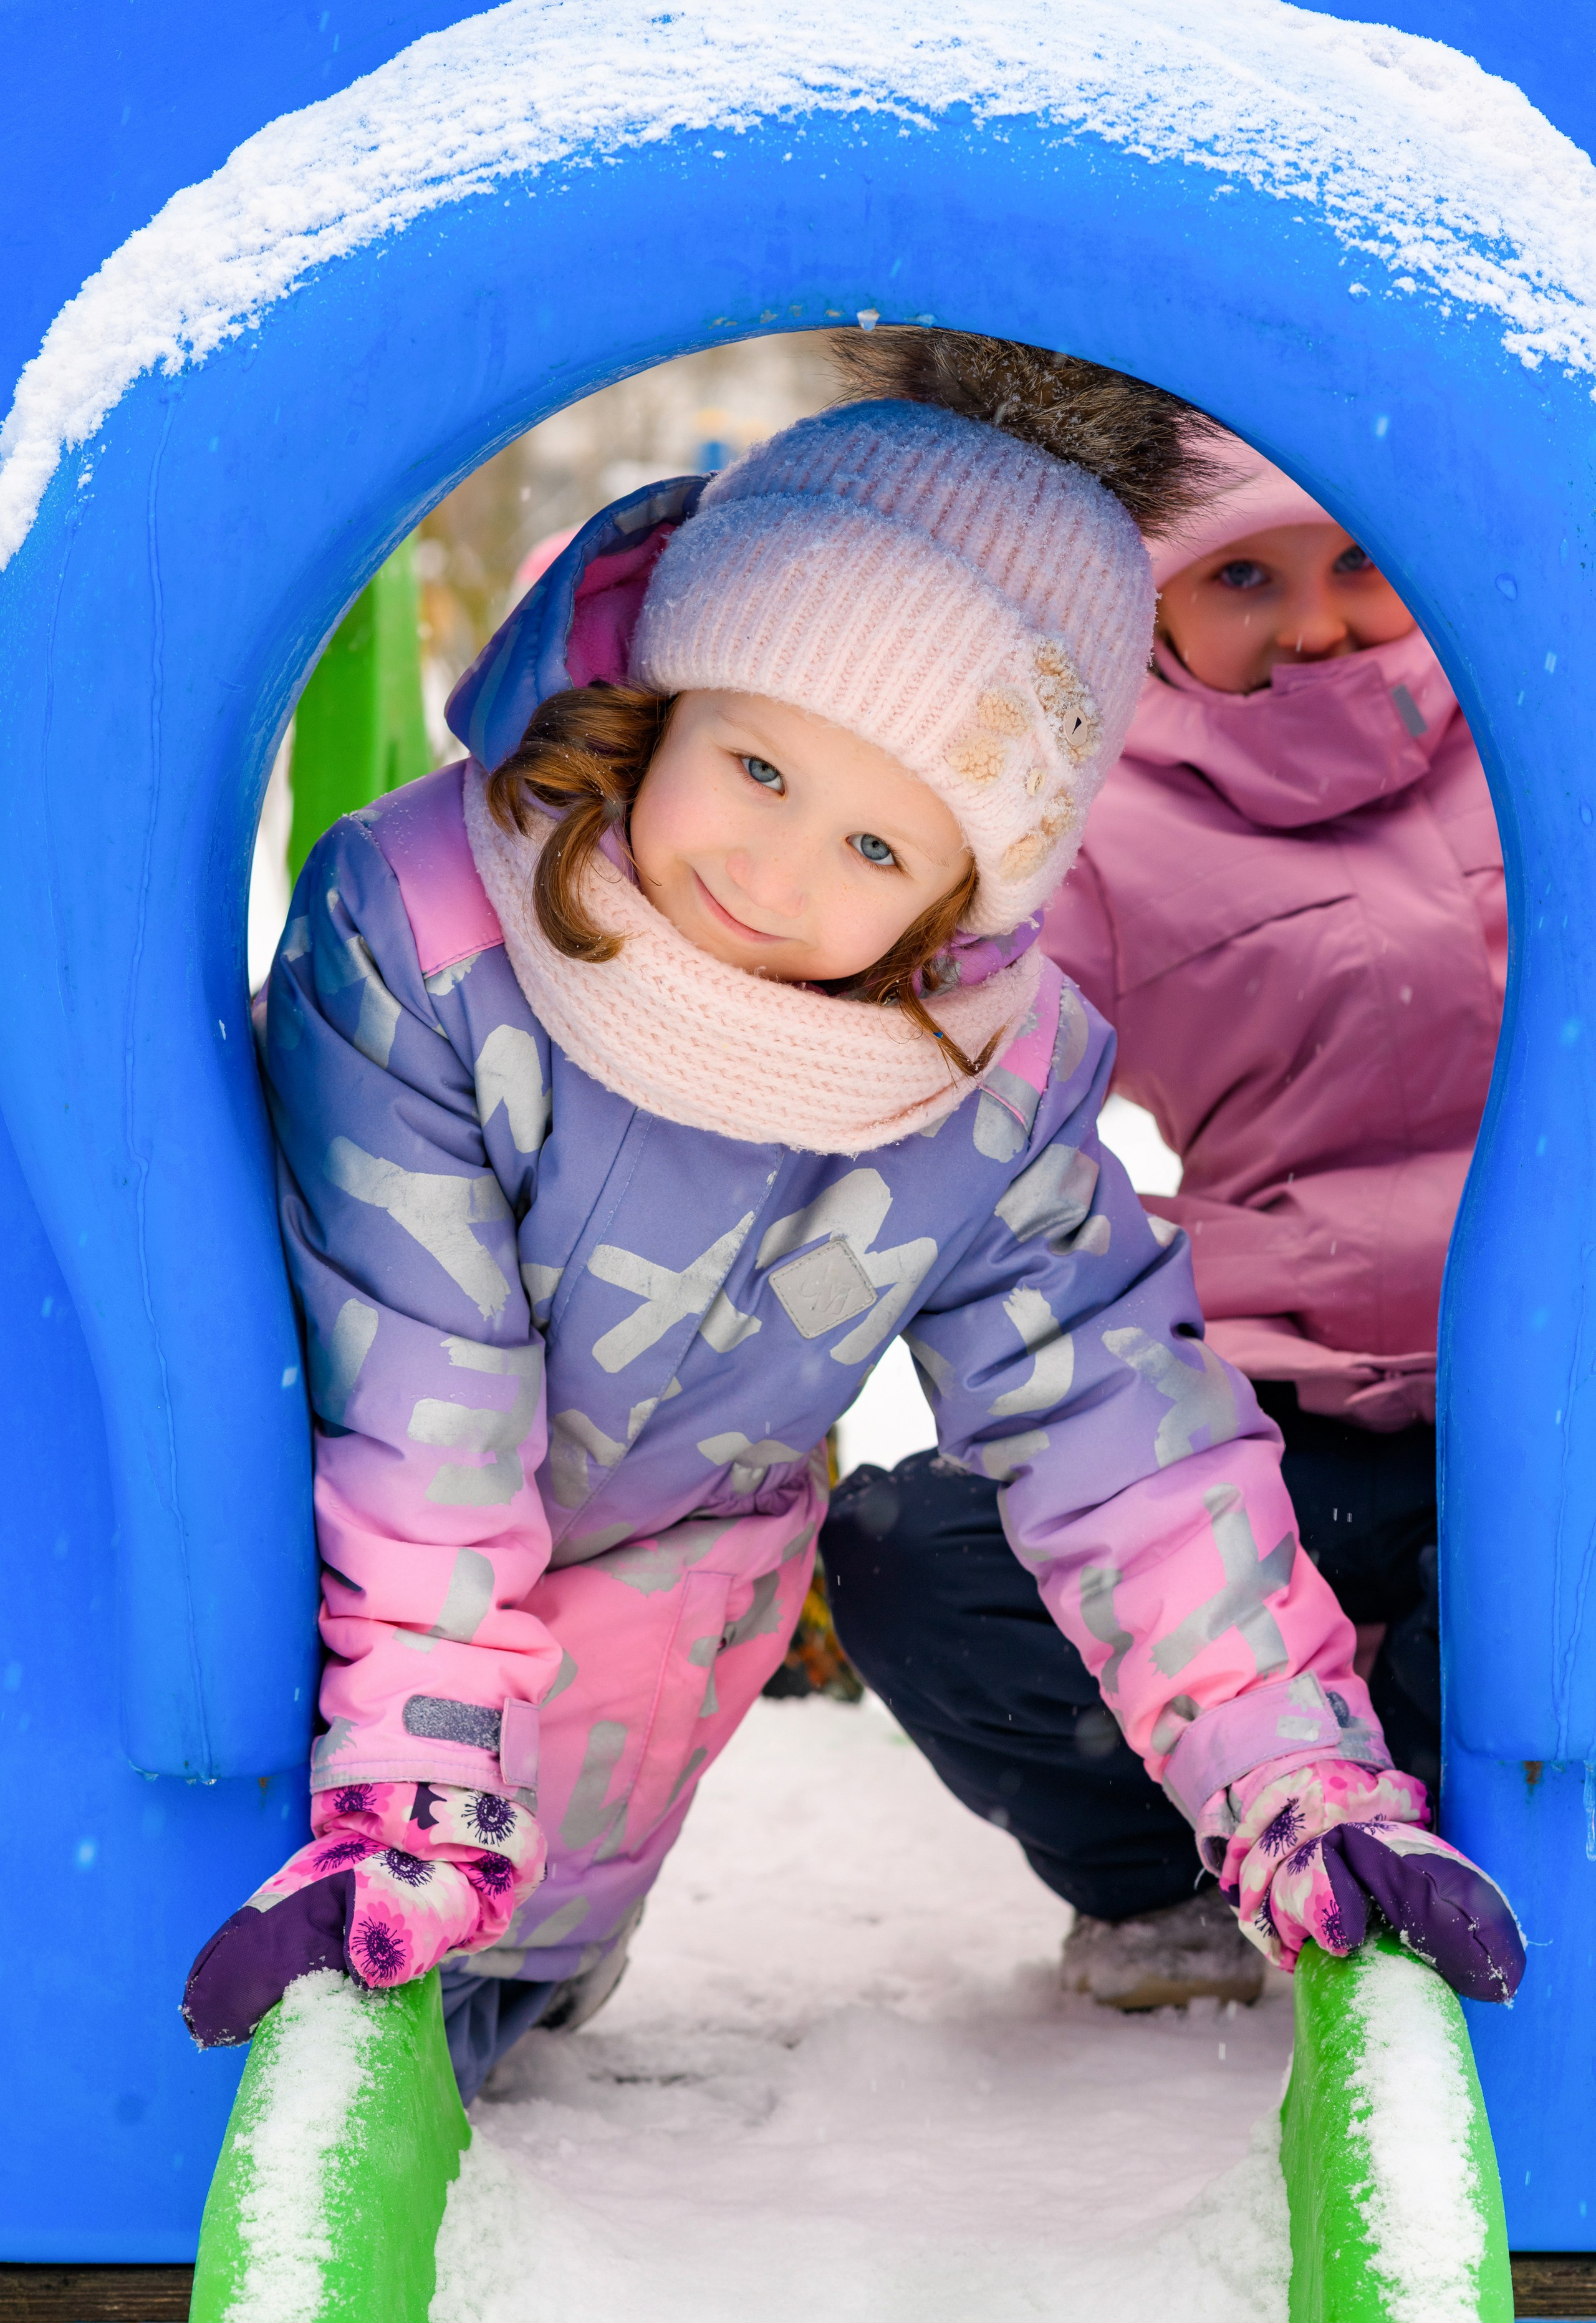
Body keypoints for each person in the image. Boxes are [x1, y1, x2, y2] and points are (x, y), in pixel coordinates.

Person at [183, 346, 1521, 2103]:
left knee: (459, 2036)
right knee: (192, 1995)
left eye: (883, 851)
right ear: (670, 690)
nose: (778, 874)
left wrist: (1299, 1785)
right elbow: (425, 1393)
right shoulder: (431, 939)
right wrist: (420, 1787)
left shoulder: (978, 1075)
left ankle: (516, 1950)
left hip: (621, 1668)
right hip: (313, 1591)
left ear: (972, 896)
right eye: (757, 765)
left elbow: (1125, 1438)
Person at [822, 332, 1500, 2009]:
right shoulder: (1097, 818)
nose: (1316, 622)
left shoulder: (1532, 732)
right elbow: (959, 1059)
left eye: (1356, 561)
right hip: (1288, 1408)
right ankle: (1164, 1875)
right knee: (920, 1556)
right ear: (1154, 601)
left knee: (1518, 1597)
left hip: (1536, 1400)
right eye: (1244, 577)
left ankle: (1481, 1821)